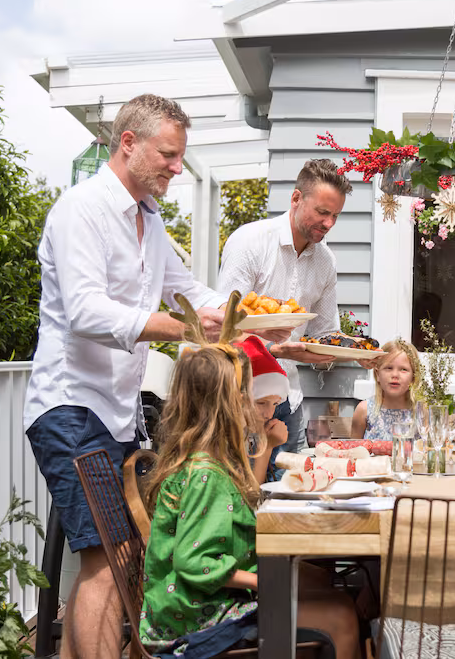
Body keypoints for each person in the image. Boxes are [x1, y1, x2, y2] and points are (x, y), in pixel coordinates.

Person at [23, 94, 290, 659]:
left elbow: (192, 294)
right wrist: (184, 330)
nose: (175, 166)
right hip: (70, 406)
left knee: (115, 556)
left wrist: (257, 325)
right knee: (109, 558)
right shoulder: (83, 210)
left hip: (116, 408)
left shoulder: (148, 219)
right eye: (168, 155)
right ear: (129, 144)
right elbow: (86, 312)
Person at [138, 339, 360, 658]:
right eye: (249, 397)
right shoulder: (207, 475)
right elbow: (194, 561)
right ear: (225, 406)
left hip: (196, 605)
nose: (262, 408)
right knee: (342, 617)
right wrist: (262, 581)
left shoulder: (209, 459)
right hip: (198, 619)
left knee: (334, 598)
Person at [217, 158, 359, 462]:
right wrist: (278, 349)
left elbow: (324, 334)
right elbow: (224, 326)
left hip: (288, 398)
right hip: (241, 398)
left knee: (285, 493)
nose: (329, 223)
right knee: (243, 493)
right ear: (296, 198)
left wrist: (356, 353)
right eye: (322, 212)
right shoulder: (250, 242)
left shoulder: (326, 261)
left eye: (336, 215)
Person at [240, 336, 291, 482]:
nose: (269, 414)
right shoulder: (229, 437)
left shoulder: (251, 431)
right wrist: (267, 447)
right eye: (261, 403)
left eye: (275, 404)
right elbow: (250, 495)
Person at [350, 339, 421, 439]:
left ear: (413, 377)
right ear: (377, 374)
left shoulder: (421, 412)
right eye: (389, 368)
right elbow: (354, 451)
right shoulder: (364, 410)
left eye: (403, 369)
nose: (395, 375)